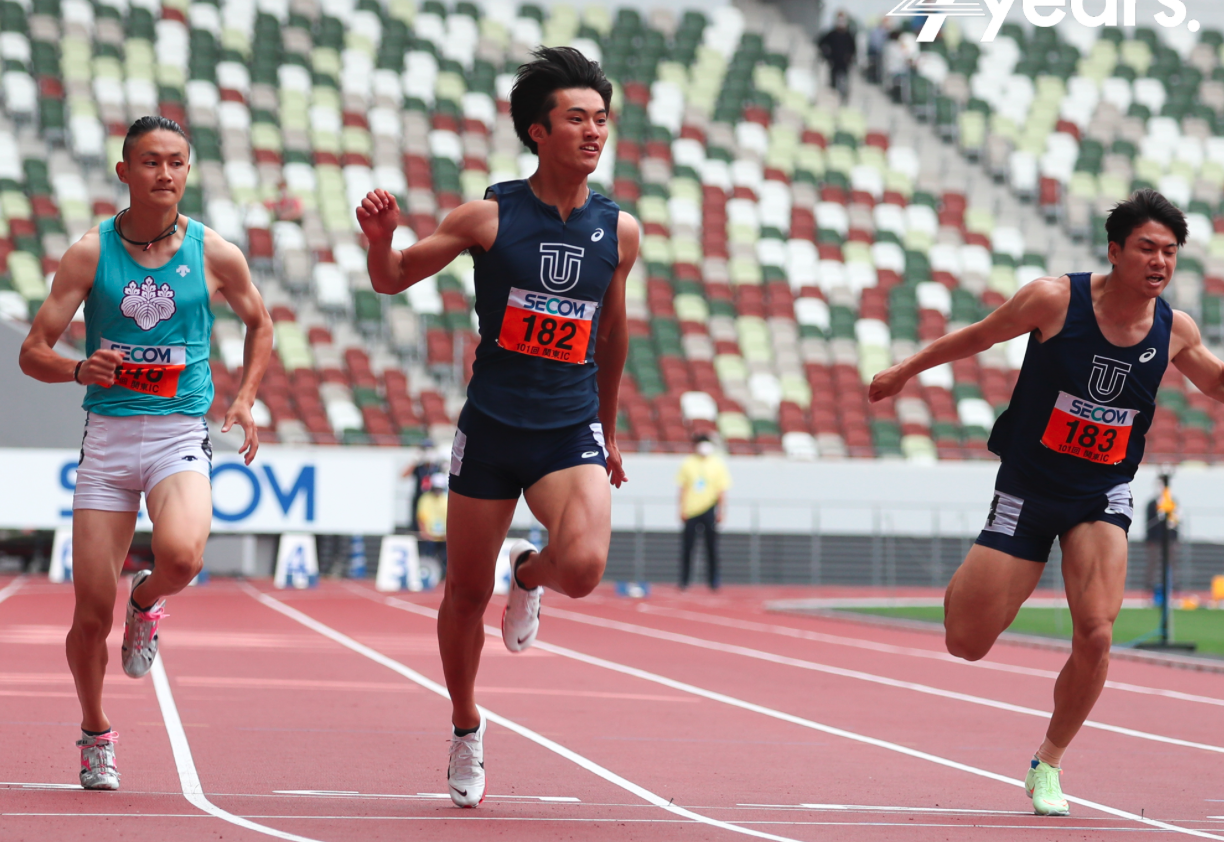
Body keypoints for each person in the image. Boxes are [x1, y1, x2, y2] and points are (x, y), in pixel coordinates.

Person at [870, 189, 1224, 817]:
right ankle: (977, 575)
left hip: (1100, 495)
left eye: (1170, 252)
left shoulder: (1175, 331)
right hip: (1027, 492)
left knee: (1096, 631)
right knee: (966, 642)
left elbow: (1218, 383)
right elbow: (977, 337)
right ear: (1115, 251)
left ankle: (1049, 762)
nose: (1160, 261)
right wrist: (905, 369)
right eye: (1147, 247)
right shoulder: (1054, 299)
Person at [357, 46, 639, 808]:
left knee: (580, 567)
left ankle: (532, 574)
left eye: (601, 120)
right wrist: (381, 240)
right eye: (576, 118)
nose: (593, 132)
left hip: (567, 427)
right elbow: (390, 279)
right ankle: (465, 725)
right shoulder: (486, 217)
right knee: (461, 594)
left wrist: (609, 430)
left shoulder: (621, 232)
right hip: (491, 428)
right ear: (537, 132)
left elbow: (612, 336)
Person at [18, 116, 273, 790]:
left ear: (188, 171)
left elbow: (260, 323)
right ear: (124, 172)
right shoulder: (89, 253)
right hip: (107, 438)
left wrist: (244, 397)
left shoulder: (216, 254)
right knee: (87, 613)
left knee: (185, 555)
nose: (166, 174)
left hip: (176, 433)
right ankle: (96, 730)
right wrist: (79, 369)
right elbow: (32, 351)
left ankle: (149, 601)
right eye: (152, 162)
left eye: (178, 162)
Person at [676, 433, 731, 590]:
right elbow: (683, 488)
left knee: (712, 548)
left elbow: (721, 490)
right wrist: (681, 509)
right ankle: (684, 581)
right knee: (687, 548)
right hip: (691, 510)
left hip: (709, 509)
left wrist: (721, 511)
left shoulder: (718, 464)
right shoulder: (688, 463)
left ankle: (713, 581)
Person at [1143, 478, 1179, 601]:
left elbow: (1176, 520)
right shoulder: (1151, 504)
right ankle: (1150, 586)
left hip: (1169, 539)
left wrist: (1175, 537)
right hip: (1155, 539)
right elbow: (1148, 522)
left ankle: (1172, 585)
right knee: (1152, 563)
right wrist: (1149, 539)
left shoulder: (1172, 502)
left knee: (1171, 563)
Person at [818, 10, 857, 104]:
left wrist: (849, 58)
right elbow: (820, 43)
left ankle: (843, 101)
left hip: (844, 64)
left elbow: (853, 49)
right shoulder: (831, 34)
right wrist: (826, 56)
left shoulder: (848, 35)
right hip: (834, 63)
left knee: (844, 85)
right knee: (833, 85)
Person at [417, 471, 449, 577]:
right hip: (429, 536)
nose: (437, 491)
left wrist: (449, 534)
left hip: (444, 536)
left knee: (447, 556)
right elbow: (421, 517)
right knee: (428, 555)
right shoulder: (425, 499)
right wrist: (425, 533)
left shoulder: (446, 499)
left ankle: (445, 576)